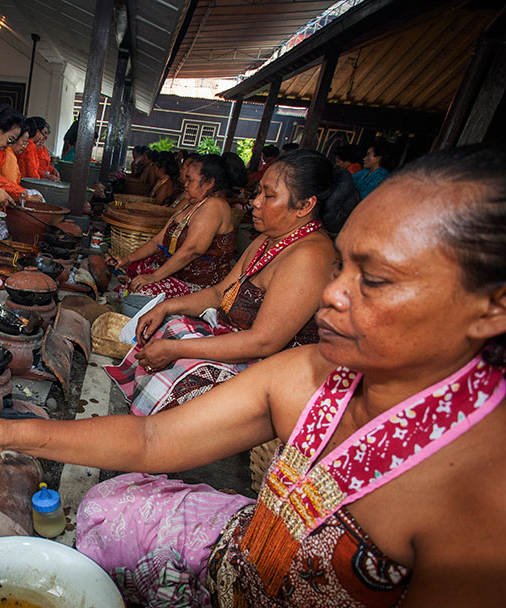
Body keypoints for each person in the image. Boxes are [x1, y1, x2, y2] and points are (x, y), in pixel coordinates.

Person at [0, 145, 506, 608]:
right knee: (103, 507)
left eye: (373, 280)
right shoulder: (312, 378)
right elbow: (149, 440)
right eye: (342, 267)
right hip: (244, 562)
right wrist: (1, 433)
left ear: (492, 306)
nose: (331, 293)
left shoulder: (484, 508)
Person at [108, 150, 357, 415]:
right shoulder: (268, 239)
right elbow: (219, 293)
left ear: (305, 206)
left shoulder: (310, 256)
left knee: (181, 365)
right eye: (258, 192)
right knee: (167, 325)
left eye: (269, 196)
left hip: (273, 369)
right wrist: (166, 307)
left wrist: (176, 349)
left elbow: (263, 343)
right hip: (240, 339)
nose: (256, 203)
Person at [108, 155, 236, 299]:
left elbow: (191, 250)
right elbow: (158, 241)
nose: (185, 184)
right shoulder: (190, 205)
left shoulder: (215, 205)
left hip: (196, 284)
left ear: (209, 183)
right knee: (134, 269)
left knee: (140, 293)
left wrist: (154, 277)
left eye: (190, 180)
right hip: (176, 273)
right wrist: (127, 259)